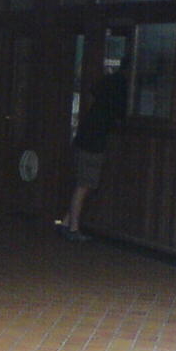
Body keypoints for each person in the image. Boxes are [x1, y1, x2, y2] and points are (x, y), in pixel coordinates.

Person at [57, 69, 126, 241]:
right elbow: (119, 116)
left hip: (83, 141)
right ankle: (73, 229)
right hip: (94, 145)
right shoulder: (118, 94)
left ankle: (67, 223)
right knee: (84, 186)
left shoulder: (100, 96)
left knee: (82, 185)